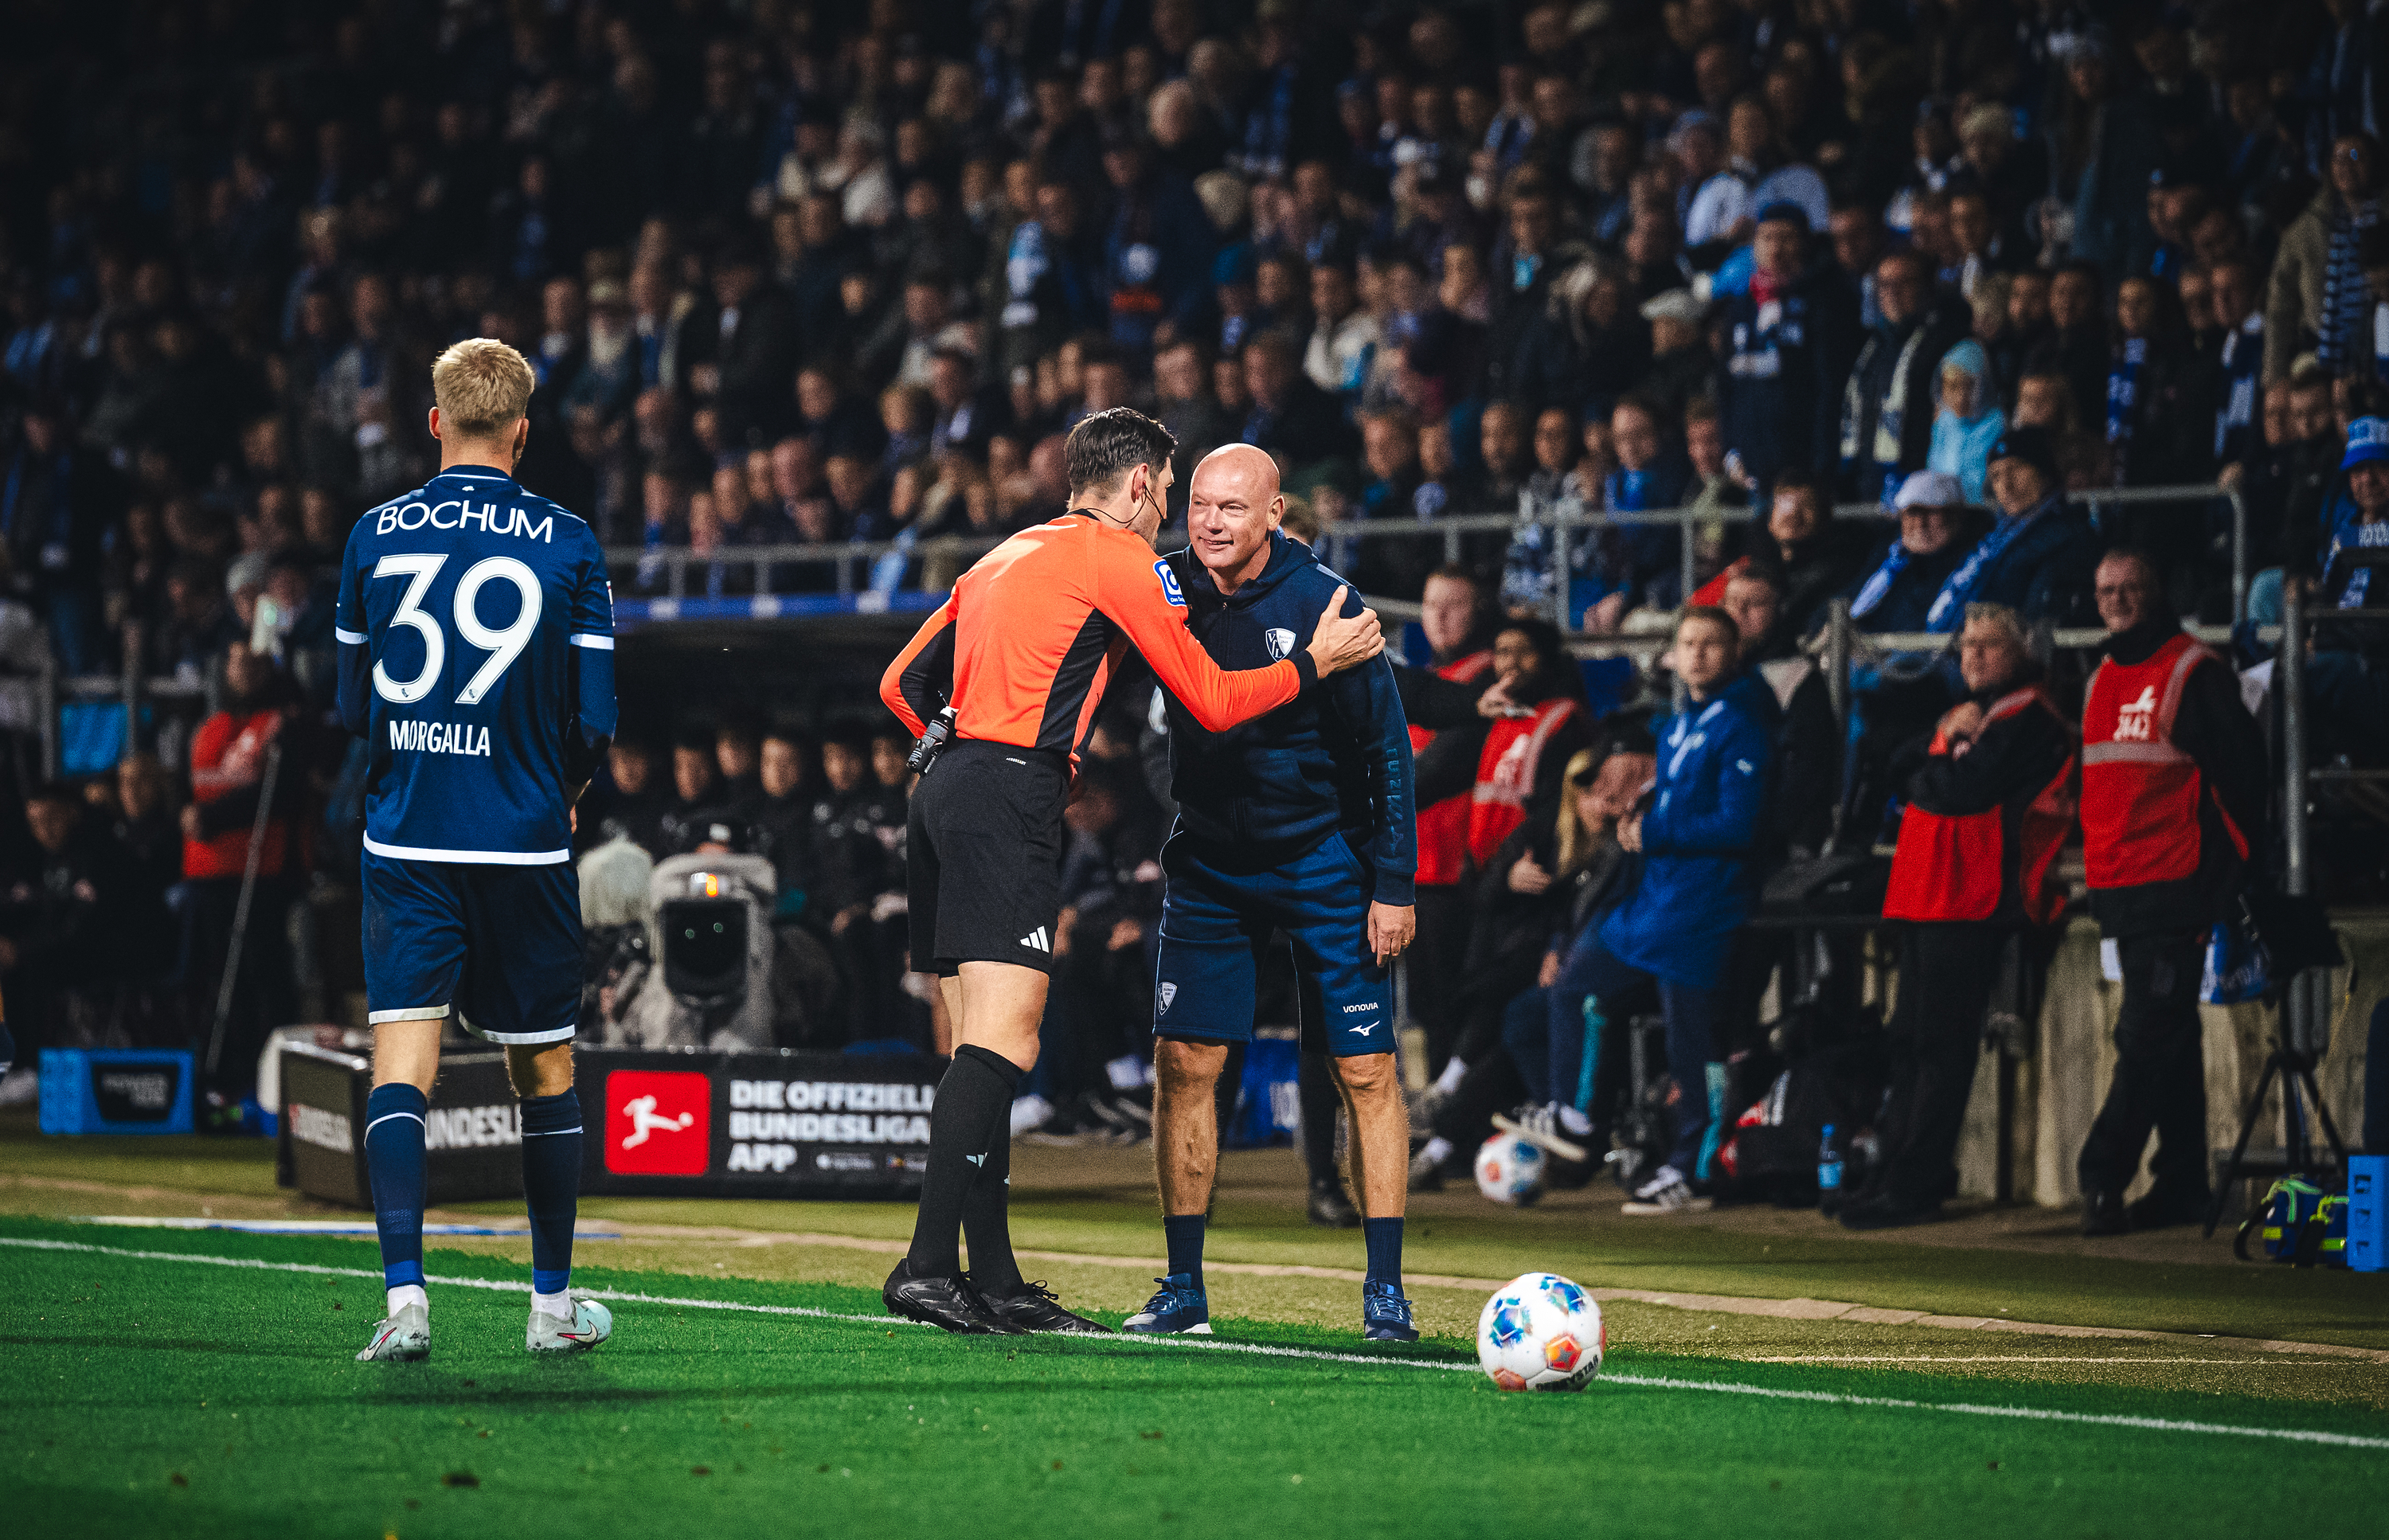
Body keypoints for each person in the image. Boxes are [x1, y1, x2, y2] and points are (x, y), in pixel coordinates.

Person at [877, 407, 1383, 1335]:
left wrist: (944, 743)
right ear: (1144, 484)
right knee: (1007, 1041)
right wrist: (1316, 659)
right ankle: (923, 1265)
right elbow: (1216, 699)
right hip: (1008, 791)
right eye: (1171, 494)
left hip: (942, 790)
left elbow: (901, 682)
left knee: (975, 1041)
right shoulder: (1117, 558)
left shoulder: (1005, 551)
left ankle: (992, 1277)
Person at [336, 338, 618, 1361]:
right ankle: (550, 1308)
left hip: (408, 835)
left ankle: (406, 1301)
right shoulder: (570, 541)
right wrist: (565, 794)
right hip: (524, 843)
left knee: (399, 1068)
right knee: (544, 1072)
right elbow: (594, 722)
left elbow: (350, 709)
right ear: (524, 431)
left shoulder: (374, 535)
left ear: (435, 421)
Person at [1124, 445, 1418, 1341]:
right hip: (1209, 863)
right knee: (1186, 1066)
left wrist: (1393, 883)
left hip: (1322, 859)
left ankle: (1385, 1292)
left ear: (1275, 514)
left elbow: (1389, 753)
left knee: (1366, 1068)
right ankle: (1183, 1287)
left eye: (1231, 508)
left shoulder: (1328, 602)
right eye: (1200, 505)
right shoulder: (1164, 585)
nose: (1209, 522)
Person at [1542, 607, 1773, 1214]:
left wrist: (1658, 826)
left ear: (1733, 653)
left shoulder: (1745, 724)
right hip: (1656, 902)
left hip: (1703, 907)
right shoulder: (1675, 726)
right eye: (1688, 643)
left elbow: (1740, 824)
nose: (1697, 655)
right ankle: (1577, 1119)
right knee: (1575, 987)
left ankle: (1694, 1172)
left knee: (1693, 1047)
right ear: (1670, 655)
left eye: (1711, 644)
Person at [1855, 604, 2076, 1229]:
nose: (1973, 656)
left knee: (1940, 1047)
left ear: (2022, 653)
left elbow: (1954, 790)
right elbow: (1897, 769)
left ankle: (1915, 1181)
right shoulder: (1976, 715)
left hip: (1970, 898)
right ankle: (1891, 1170)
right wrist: (1945, 742)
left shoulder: (2028, 715)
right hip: (1931, 893)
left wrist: (1945, 745)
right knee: (1910, 1042)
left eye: (1990, 645)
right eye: (1967, 646)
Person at [2076, 548, 2267, 1235]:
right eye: (2107, 590)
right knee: (2170, 1041)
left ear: (2156, 593)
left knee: (2146, 1038)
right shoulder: (2101, 675)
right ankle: (2183, 1182)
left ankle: (2100, 1177)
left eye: (2131, 587)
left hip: (2175, 886)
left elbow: (2243, 779)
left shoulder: (2193, 670)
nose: (2119, 599)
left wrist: (2230, 876)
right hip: (2122, 892)